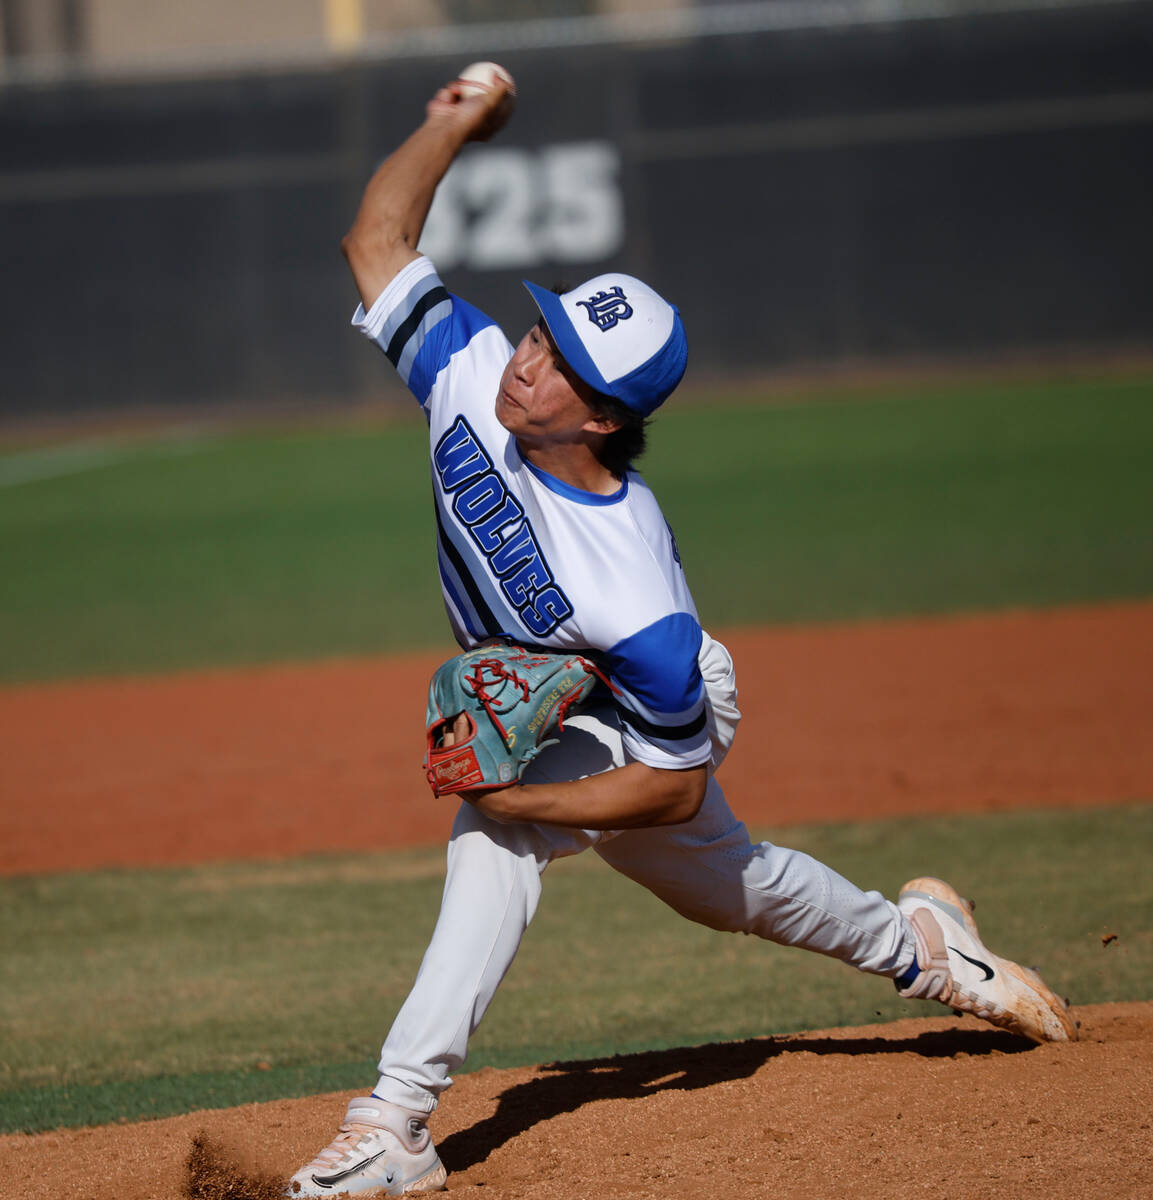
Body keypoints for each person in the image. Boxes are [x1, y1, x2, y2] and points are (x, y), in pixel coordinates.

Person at [286, 70, 1076, 1199]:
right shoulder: (467, 372)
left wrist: (524, 803)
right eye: (540, 330)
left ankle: (398, 1122)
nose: (527, 359)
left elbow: (667, 782)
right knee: (731, 890)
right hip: (574, 697)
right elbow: (377, 234)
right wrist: (451, 122)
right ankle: (924, 949)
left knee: (495, 836)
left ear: (603, 418)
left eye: (560, 363)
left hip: (650, 707)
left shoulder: (634, 594)